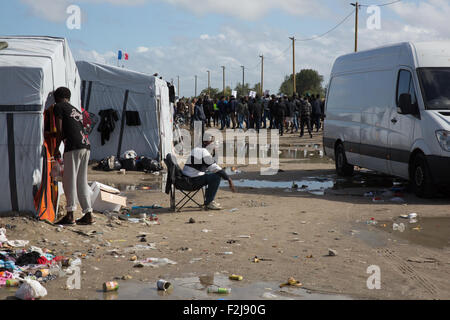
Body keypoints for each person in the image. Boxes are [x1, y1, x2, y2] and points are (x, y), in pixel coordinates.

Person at [52, 87, 94, 225]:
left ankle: (70, 215)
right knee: (82, 181)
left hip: (73, 146)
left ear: (57, 97)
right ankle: (88, 214)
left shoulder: (58, 107)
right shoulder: (75, 109)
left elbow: (59, 129)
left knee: (68, 180)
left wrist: (56, 147)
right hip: (85, 145)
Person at [182, 134, 236, 210]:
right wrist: (229, 179)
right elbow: (215, 168)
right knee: (216, 176)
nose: (213, 145)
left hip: (186, 179)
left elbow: (211, 165)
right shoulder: (203, 152)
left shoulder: (197, 149)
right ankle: (209, 202)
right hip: (191, 182)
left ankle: (208, 200)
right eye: (211, 142)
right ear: (205, 143)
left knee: (212, 174)